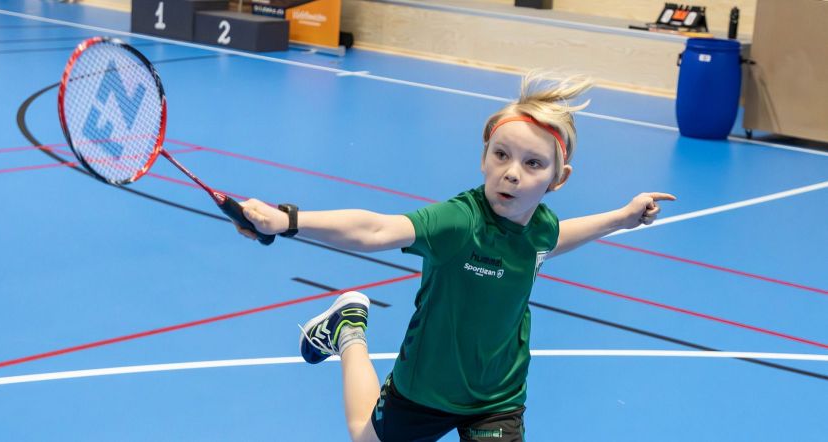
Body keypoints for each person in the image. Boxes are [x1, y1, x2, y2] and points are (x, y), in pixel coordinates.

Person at [235, 71, 676, 442]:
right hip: (425, 388)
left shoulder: (540, 225)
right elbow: (375, 229)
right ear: (484, 157)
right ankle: (349, 330)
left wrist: (621, 217)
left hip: (497, 396)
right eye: (501, 155)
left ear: (558, 179)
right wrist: (288, 220)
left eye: (533, 164)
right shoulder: (458, 222)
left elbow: (552, 241)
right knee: (362, 436)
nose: (512, 173)